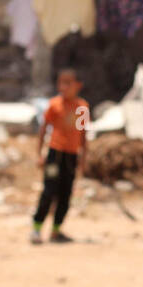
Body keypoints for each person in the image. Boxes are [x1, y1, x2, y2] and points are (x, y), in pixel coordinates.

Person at [31, 68, 88, 244]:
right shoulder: (54, 105)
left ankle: (56, 230)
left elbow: (83, 134)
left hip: (71, 156)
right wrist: (40, 154)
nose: (63, 87)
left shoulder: (81, 107)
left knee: (66, 193)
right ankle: (37, 229)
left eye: (67, 83)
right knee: (49, 191)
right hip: (55, 154)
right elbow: (43, 129)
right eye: (61, 82)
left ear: (78, 85)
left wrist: (83, 158)